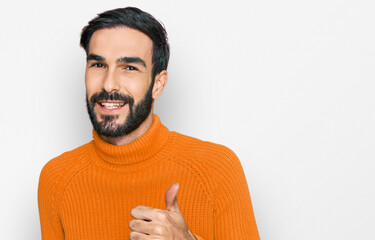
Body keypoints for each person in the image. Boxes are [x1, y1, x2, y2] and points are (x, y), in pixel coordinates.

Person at [37, 7, 260, 240]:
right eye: (98, 65)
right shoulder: (57, 178)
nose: (109, 85)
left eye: (129, 68)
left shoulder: (216, 169)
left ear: (158, 84)